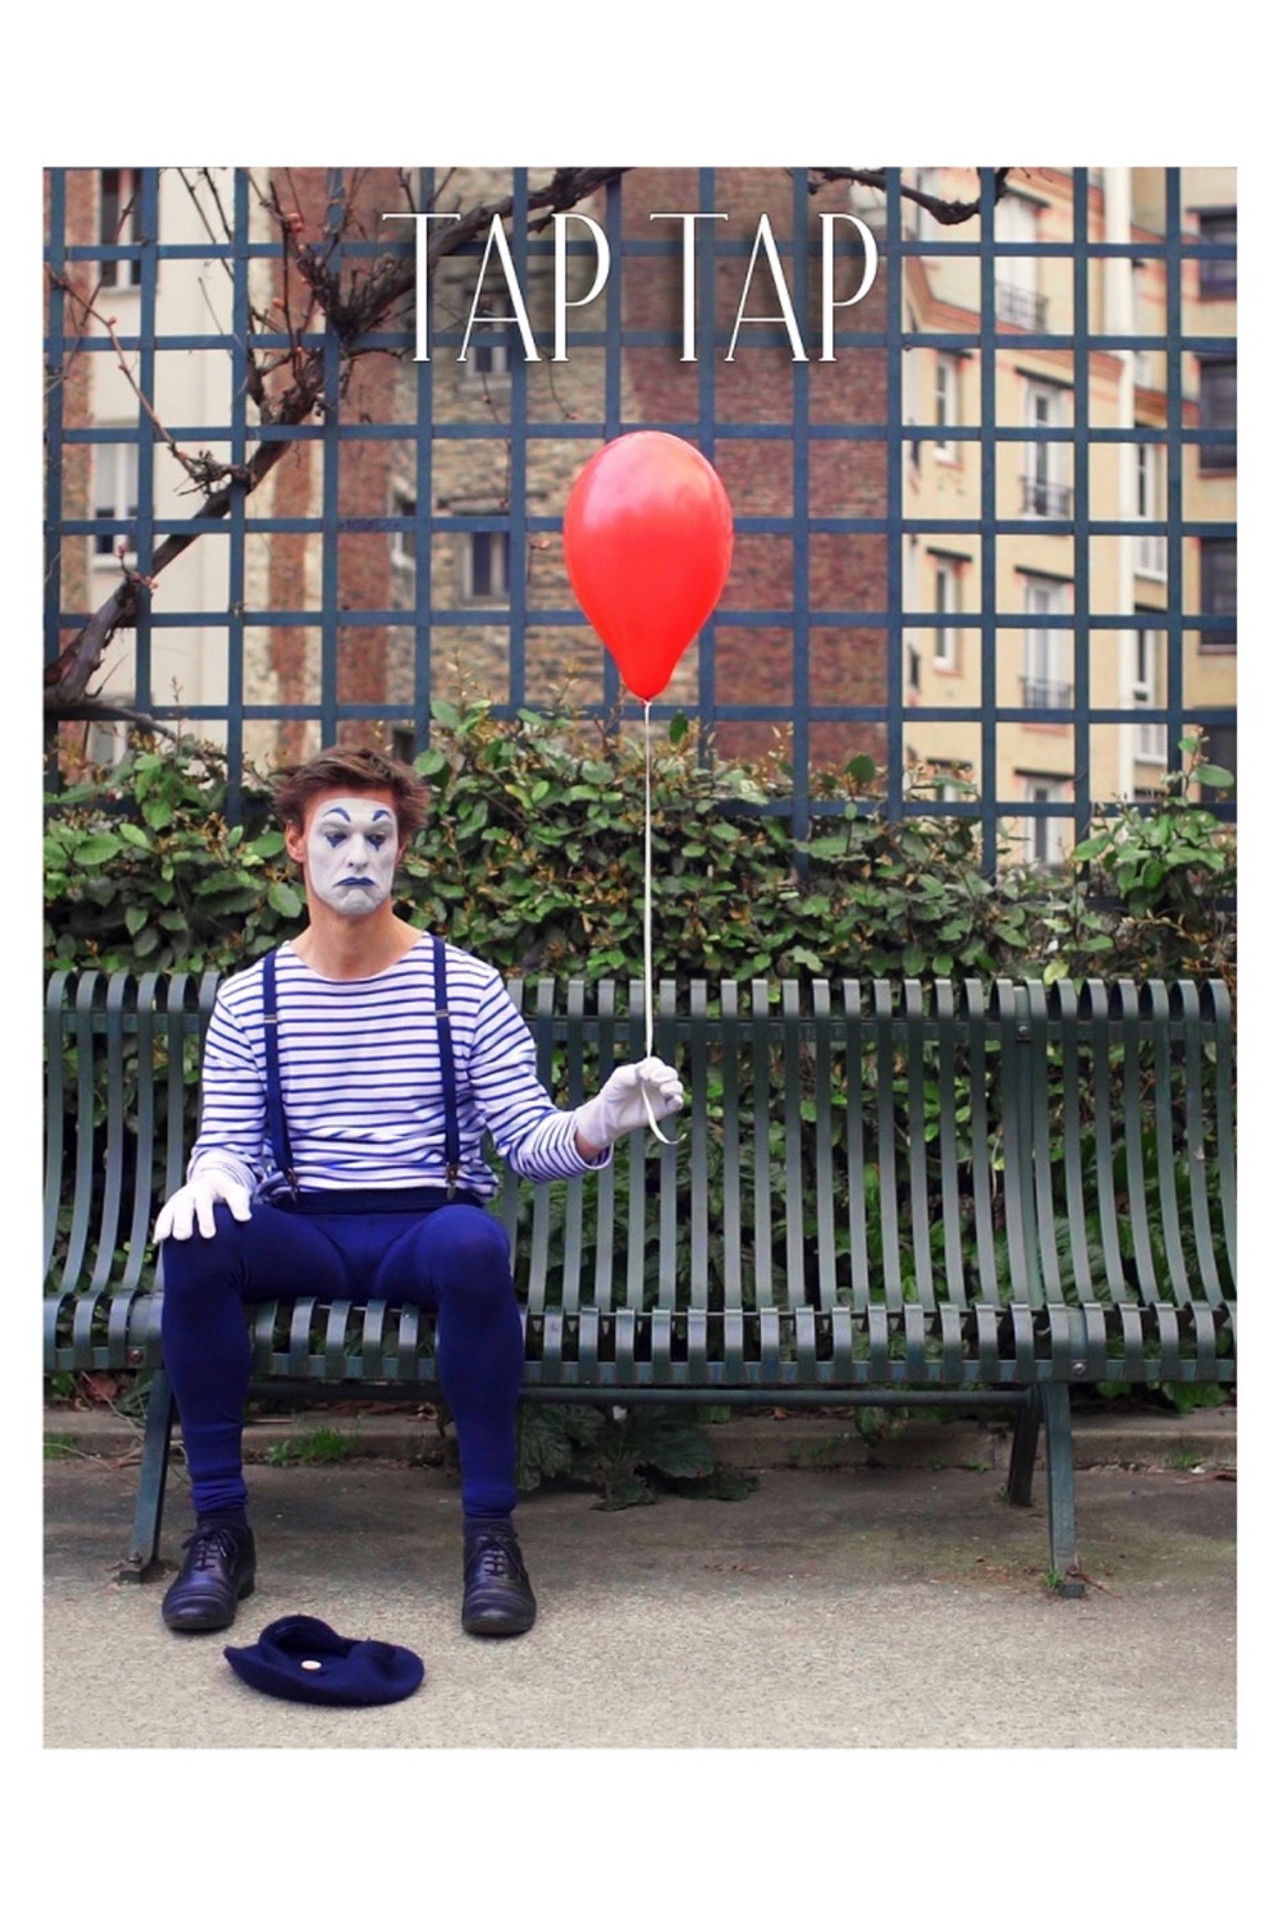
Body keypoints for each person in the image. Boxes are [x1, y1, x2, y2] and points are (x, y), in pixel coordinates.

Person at [153, 745, 684, 1639]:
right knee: (197, 1241)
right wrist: (212, 1177)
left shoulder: (463, 987)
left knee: (476, 1245)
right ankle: (219, 1532)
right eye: (335, 834)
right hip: (304, 1228)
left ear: (402, 849)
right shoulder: (253, 1000)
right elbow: (232, 1147)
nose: (358, 854)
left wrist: (601, 1120)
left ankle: (491, 1537)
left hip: (423, 1227)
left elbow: (527, 1141)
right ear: (294, 845)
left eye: (378, 835)